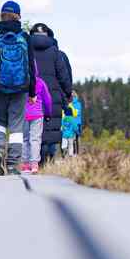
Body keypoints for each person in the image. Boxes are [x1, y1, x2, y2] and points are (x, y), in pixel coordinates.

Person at [0, 1, 36, 176]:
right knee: (16, 126)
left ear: (1, 15)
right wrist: (32, 92)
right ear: (18, 16)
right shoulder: (25, 37)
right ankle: (12, 165)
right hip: (20, 88)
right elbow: (31, 67)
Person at [30, 23, 72, 164]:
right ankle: (49, 163)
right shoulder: (56, 53)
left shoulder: (26, 51)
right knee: (51, 129)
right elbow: (64, 76)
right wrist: (67, 94)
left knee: (34, 132)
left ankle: (35, 162)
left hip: (31, 97)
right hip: (53, 97)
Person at [22, 62, 52, 174]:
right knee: (35, 139)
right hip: (37, 114)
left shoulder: (21, 82)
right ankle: (34, 165)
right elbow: (47, 99)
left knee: (24, 139)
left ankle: (25, 165)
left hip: (23, 114)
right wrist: (48, 113)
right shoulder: (40, 82)